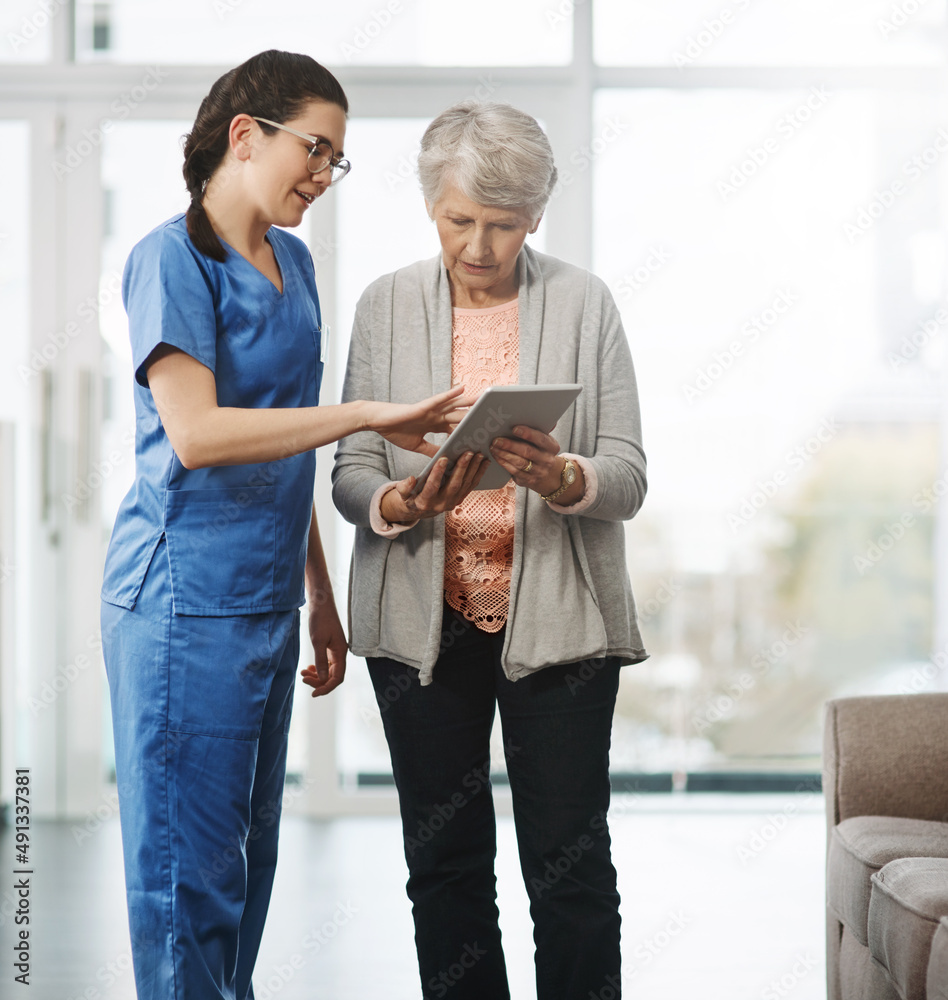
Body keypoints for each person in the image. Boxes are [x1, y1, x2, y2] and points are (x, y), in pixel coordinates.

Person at [100, 50, 470, 1000]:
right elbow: (199, 434)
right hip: (180, 603)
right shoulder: (169, 259)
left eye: (336, 160)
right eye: (316, 148)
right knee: (190, 871)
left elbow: (283, 447)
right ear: (244, 135)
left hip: (266, 599)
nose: (323, 175)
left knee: (249, 859)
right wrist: (363, 415)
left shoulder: (294, 263)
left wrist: (321, 594)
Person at [325, 101, 648, 1000]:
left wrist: (563, 478)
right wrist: (395, 498)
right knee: (445, 870)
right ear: (433, 206)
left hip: (559, 628)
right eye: (459, 219)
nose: (478, 244)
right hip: (421, 627)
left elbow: (626, 474)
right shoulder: (385, 303)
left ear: (535, 215)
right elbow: (351, 467)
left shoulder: (585, 302)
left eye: (502, 225)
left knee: (570, 871)